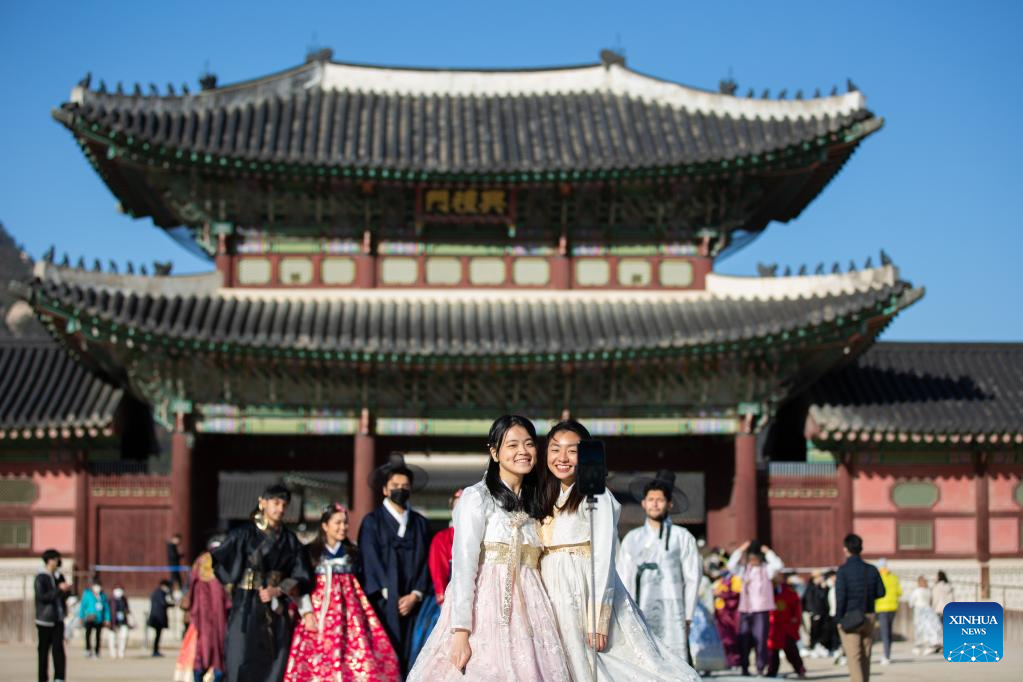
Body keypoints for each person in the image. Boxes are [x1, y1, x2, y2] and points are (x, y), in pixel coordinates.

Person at [408, 415, 571, 681]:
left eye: (529, 444)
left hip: (533, 607)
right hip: (486, 608)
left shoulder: (538, 501)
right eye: (513, 445)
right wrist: (460, 631)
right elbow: (463, 567)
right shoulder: (477, 497)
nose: (523, 451)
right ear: (494, 452)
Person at [537, 419, 700, 681]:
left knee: (599, 665)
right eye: (555, 449)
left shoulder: (597, 497)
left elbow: (603, 558)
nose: (562, 457)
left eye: (573, 450)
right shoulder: (547, 495)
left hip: (582, 590)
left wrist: (597, 618)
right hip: (551, 591)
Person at [284, 502, 399, 682]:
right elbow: (300, 584)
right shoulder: (309, 553)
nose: (343, 527)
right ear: (324, 525)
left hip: (350, 616)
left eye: (345, 523)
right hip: (318, 616)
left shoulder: (353, 552)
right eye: (337, 523)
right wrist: (306, 613)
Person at [212, 484, 314, 682]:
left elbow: (303, 575)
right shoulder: (244, 534)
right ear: (262, 503)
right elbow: (220, 559)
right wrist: (231, 582)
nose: (280, 508)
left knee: (276, 658)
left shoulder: (291, 540)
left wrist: (278, 589)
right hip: (246, 605)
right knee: (240, 656)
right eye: (276, 503)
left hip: (275, 609)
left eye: (284, 504)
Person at [358, 455, 432, 674]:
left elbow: (428, 562)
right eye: (395, 486)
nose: (401, 490)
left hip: (415, 603)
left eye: (405, 486)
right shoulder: (372, 522)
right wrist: (390, 594)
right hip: (382, 602)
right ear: (384, 490)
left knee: (415, 655)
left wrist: (415, 595)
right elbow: (369, 560)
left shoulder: (420, 524)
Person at [618, 469, 701, 663]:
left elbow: (692, 578)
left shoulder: (683, 537)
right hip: (640, 608)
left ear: (669, 504)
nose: (655, 503)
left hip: (674, 611)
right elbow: (624, 576)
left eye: (660, 500)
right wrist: (624, 613)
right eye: (651, 499)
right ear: (643, 503)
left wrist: (688, 615)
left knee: (675, 662)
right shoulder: (632, 539)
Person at [409, 488, 463, 667]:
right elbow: (438, 571)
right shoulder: (442, 538)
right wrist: (443, 600)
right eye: (457, 507)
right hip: (447, 598)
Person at [727, 541, 784, 676]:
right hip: (746, 609)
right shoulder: (744, 570)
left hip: (761, 609)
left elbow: (779, 565)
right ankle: (744, 667)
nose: (753, 561)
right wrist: (740, 550)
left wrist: (768, 552)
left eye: (755, 558)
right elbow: (731, 566)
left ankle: (760, 667)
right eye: (751, 558)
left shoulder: (766, 570)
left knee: (760, 639)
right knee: (744, 639)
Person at [177, 539, 231, 682]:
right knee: (208, 649)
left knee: (211, 648)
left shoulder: (206, 563)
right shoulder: (215, 564)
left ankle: (210, 674)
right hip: (207, 615)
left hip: (214, 615)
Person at [835, 533, 885, 682]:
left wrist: (838, 618)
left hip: (850, 617)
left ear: (845, 549)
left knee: (854, 656)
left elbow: (841, 597)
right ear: (860, 548)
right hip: (869, 615)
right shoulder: (872, 569)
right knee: (866, 655)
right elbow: (881, 592)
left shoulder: (843, 571)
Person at [35, 548, 69, 682]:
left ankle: (59, 678)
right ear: (49, 561)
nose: (58, 561)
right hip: (44, 619)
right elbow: (42, 597)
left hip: (58, 619)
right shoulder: (41, 577)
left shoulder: (58, 576)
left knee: (58, 650)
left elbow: (64, 596)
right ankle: (42, 678)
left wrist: (65, 591)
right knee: (43, 652)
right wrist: (58, 589)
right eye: (56, 559)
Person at [767, 573, 806, 678]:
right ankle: (772, 671)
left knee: (791, 649)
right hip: (773, 626)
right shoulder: (766, 590)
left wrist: (795, 619)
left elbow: (796, 606)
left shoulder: (789, 591)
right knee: (772, 651)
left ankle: (799, 669)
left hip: (786, 626)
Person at [713, 566, 742, 669]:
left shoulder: (735, 580)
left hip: (730, 614)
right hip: (721, 614)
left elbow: (735, 594)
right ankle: (729, 662)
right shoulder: (720, 581)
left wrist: (721, 594)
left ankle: (736, 662)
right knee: (724, 639)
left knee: (733, 638)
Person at [874, 558, 902, 665]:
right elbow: (900, 592)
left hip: (881, 608)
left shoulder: (878, 577)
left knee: (884, 632)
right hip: (893, 607)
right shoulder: (894, 577)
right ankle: (888, 654)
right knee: (889, 632)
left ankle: (886, 656)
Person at [909, 576, 942, 655]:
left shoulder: (917, 591)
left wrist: (912, 606)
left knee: (920, 629)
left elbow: (911, 602)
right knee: (931, 627)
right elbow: (931, 601)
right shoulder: (928, 590)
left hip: (919, 610)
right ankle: (933, 643)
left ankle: (921, 646)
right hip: (928, 610)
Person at [801, 571, 830, 658]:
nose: (821, 579)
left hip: (821, 613)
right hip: (812, 613)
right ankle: (811, 648)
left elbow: (824, 600)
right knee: (812, 632)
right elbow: (809, 601)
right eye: (819, 577)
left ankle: (818, 647)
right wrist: (814, 612)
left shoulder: (821, 587)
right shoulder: (810, 588)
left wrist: (825, 588)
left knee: (821, 631)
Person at [78, 578, 110, 658]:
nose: (97, 588)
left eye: (98, 586)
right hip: (90, 618)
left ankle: (97, 651)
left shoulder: (102, 596)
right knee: (88, 634)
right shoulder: (87, 594)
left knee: (98, 636)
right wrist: (81, 617)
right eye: (95, 586)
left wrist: (107, 619)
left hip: (99, 618)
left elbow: (106, 608)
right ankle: (88, 649)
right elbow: (83, 606)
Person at [148, 579, 174, 657]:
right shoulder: (159, 593)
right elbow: (163, 603)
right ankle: (155, 650)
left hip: (158, 617)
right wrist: (171, 604)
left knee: (158, 635)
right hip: (157, 618)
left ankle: (156, 650)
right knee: (157, 635)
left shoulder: (159, 593)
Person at [107, 584, 131, 659]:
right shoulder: (110, 599)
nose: (119, 591)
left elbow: (127, 609)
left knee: (124, 636)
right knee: (112, 638)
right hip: (113, 621)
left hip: (123, 621)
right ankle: (113, 652)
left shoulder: (124, 599)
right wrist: (107, 620)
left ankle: (121, 652)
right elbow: (107, 610)